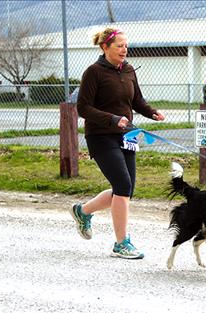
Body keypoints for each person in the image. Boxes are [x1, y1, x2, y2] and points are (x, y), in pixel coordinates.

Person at [70, 28, 165, 259]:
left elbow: (136, 100)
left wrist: (151, 113)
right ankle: (122, 243)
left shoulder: (129, 70)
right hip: (101, 135)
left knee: (126, 189)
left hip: (126, 136)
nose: (124, 50)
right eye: (119, 46)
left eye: (126, 46)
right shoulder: (93, 72)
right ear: (105, 48)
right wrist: (112, 119)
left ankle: (83, 211)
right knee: (122, 184)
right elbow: (83, 108)